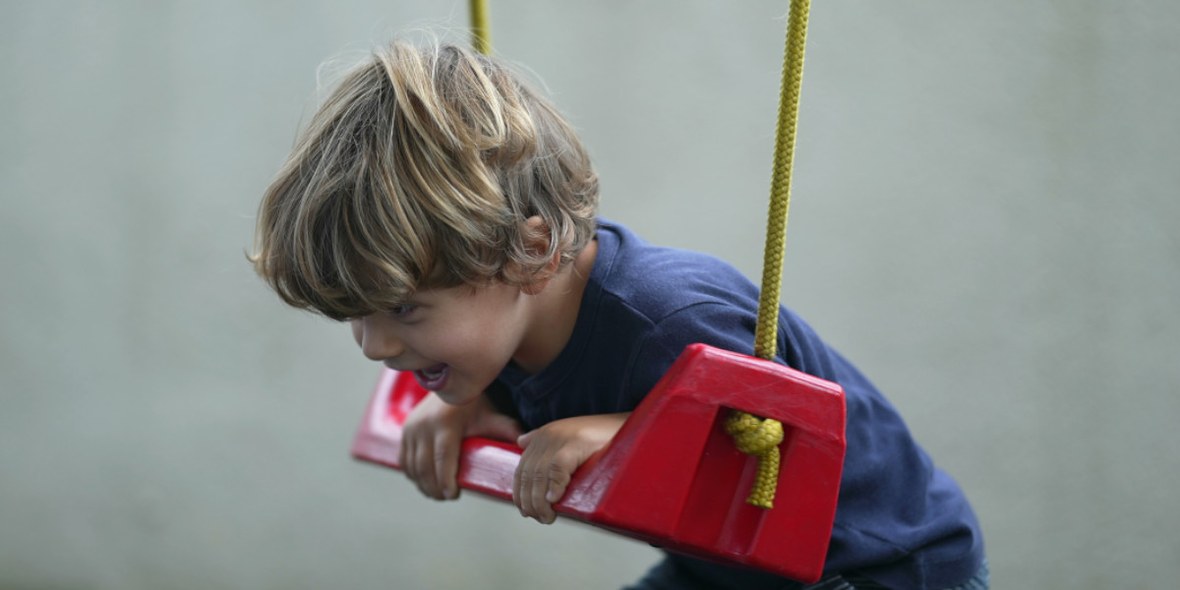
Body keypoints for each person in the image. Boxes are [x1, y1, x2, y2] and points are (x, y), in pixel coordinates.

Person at [251, 38, 987, 590]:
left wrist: (628, 435)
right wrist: (468, 408)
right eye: (357, 317)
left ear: (528, 252)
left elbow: (782, 443)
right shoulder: (497, 336)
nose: (375, 347)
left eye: (404, 309)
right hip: (727, 571)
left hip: (881, 565)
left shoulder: (670, 319)